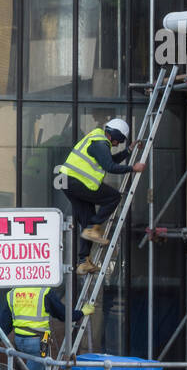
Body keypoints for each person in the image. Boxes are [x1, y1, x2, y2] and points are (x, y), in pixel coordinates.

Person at [56, 118, 145, 276]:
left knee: (86, 219)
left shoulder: (97, 140)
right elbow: (110, 166)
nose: (118, 144)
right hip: (76, 182)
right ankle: (93, 228)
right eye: (119, 141)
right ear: (114, 135)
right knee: (114, 197)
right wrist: (133, 168)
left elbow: (108, 160)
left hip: (68, 183)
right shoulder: (100, 143)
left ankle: (83, 262)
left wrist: (128, 151)